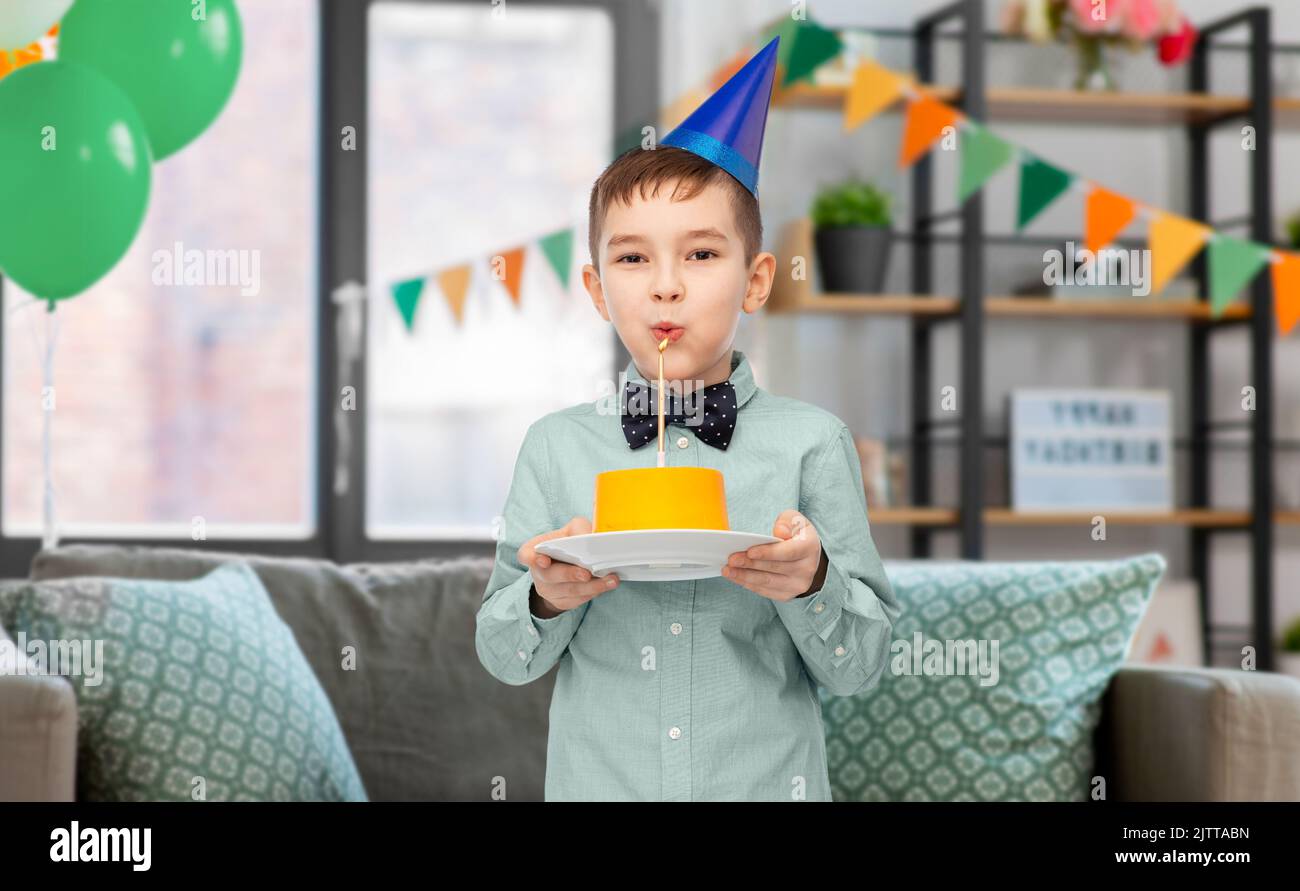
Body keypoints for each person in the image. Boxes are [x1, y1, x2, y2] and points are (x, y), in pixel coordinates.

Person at [476, 36, 898, 801]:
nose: (665, 287)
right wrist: (546, 597)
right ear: (599, 290)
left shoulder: (813, 444)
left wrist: (813, 581)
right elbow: (505, 656)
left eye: (701, 255)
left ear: (757, 280)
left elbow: (861, 667)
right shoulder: (555, 446)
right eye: (633, 260)